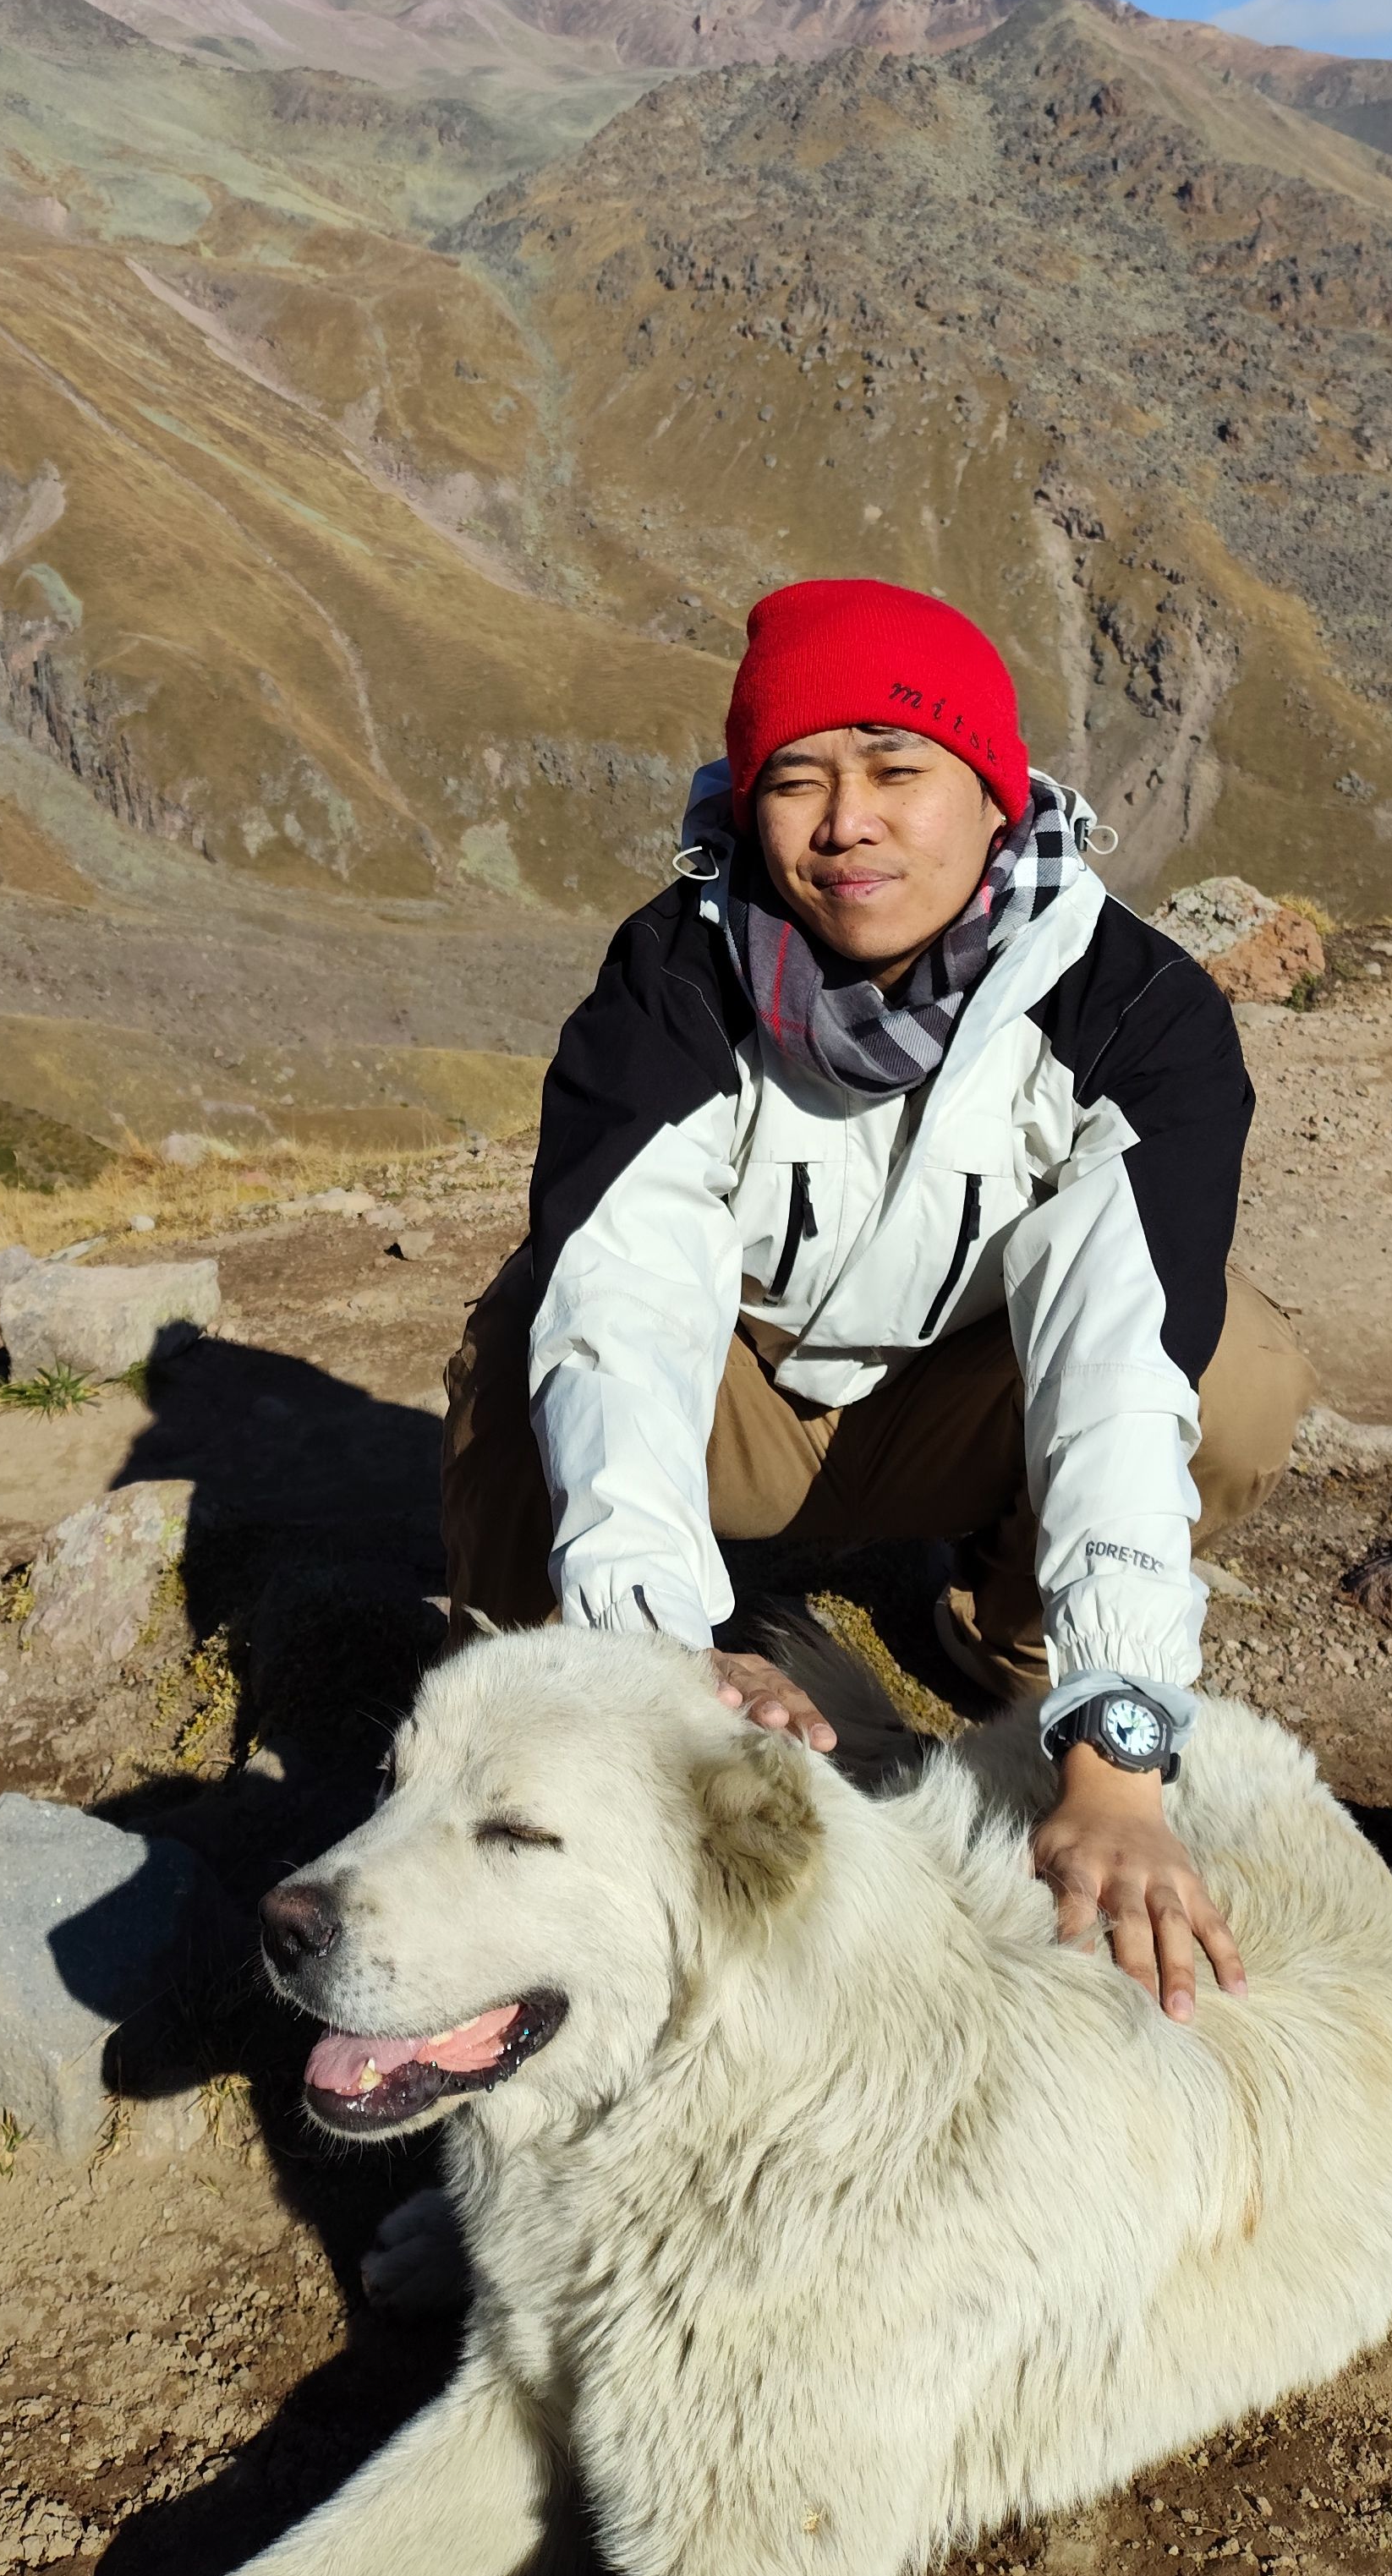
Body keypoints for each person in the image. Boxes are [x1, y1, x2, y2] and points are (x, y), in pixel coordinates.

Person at [441, 575, 1312, 2026]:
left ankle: (1023, 1644)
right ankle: (535, 1711)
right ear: (746, 802)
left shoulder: (1134, 1013)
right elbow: (626, 1320)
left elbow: (1114, 1360)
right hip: (747, 1407)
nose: (848, 823)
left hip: (961, 1413)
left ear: (993, 791)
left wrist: (1118, 1758)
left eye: (899, 770)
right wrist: (656, 1658)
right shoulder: (674, 982)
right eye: (798, 779)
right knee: (528, 1332)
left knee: (1236, 1374)